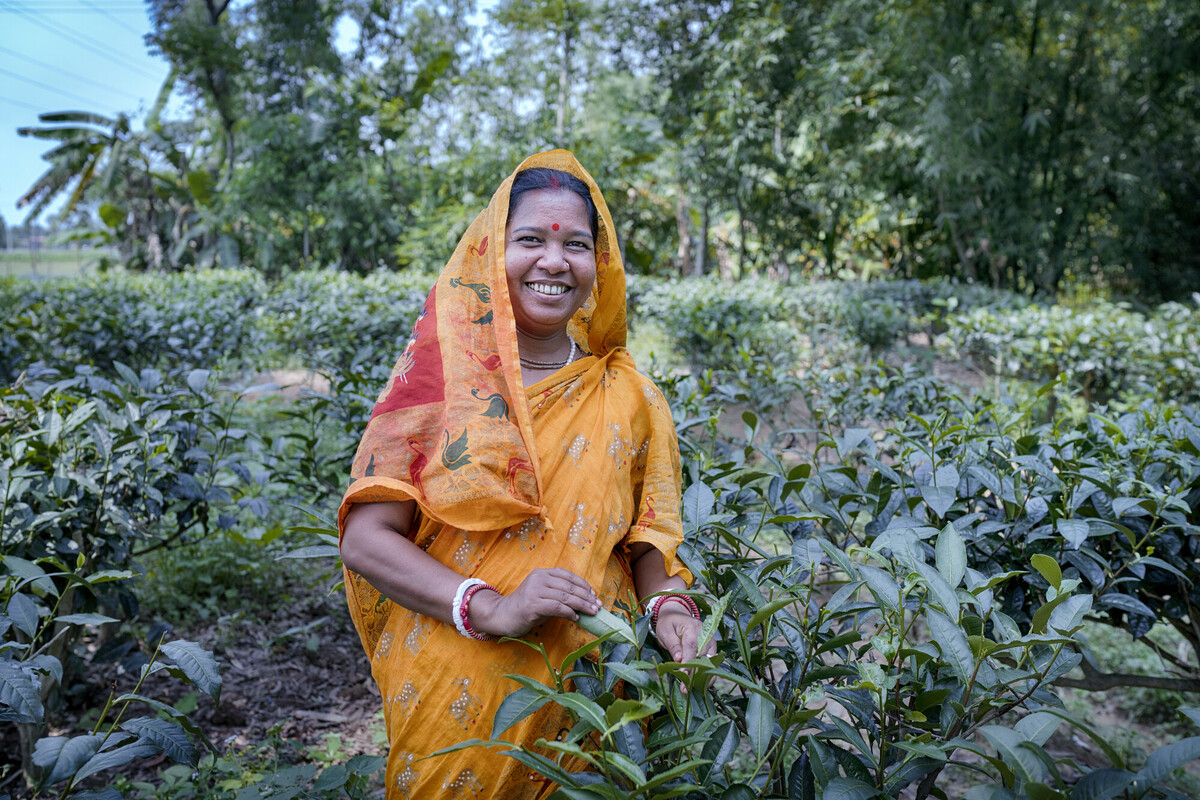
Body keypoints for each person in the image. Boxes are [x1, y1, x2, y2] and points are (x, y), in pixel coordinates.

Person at [338, 150, 713, 800]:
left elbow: (647, 543)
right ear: (491, 253)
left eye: (575, 244)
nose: (553, 261)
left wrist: (671, 606)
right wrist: (493, 607)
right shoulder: (442, 379)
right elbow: (367, 538)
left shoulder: (628, 393)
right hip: (459, 692)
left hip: (594, 693)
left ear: (598, 264)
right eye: (530, 239)